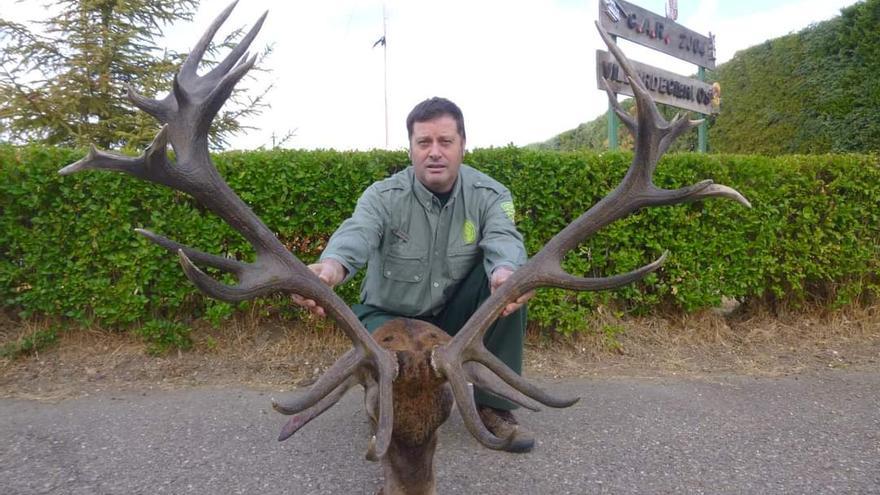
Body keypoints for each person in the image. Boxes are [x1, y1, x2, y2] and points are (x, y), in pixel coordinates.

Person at [292, 97, 535, 453]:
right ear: (411, 149)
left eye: (445, 142)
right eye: (424, 143)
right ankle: (382, 399)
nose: (434, 152)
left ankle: (494, 406)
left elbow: (503, 237)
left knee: (507, 290)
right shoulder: (382, 197)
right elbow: (357, 233)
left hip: (451, 314)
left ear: (463, 145)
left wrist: (506, 272)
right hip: (388, 316)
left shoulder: (490, 195)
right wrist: (329, 269)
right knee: (397, 371)